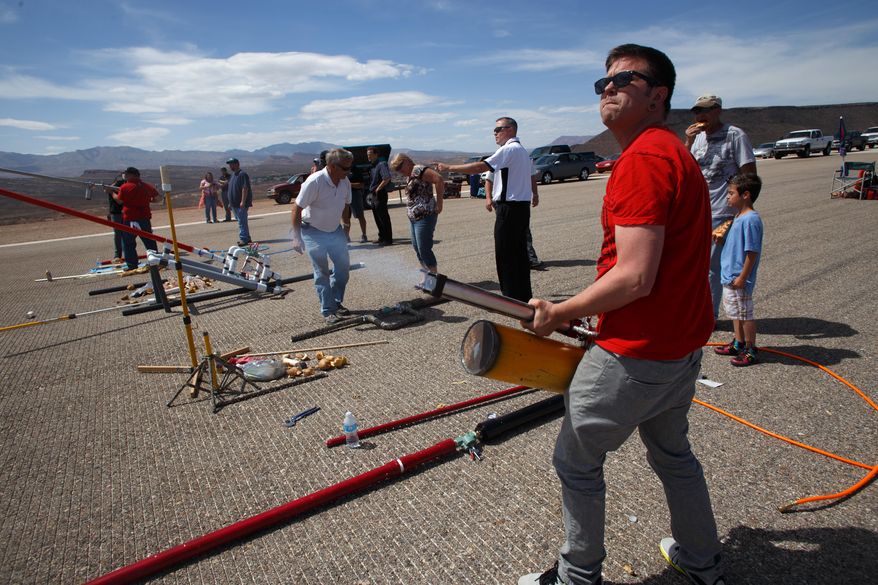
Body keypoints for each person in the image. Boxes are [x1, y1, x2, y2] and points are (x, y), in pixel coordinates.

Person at [518, 44, 724, 585]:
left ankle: (576, 576)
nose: (607, 88)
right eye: (602, 82)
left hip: (635, 354)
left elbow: (635, 276)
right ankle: (703, 562)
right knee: (675, 457)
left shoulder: (644, 160)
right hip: (678, 350)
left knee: (575, 462)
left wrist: (561, 310)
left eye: (624, 80)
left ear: (657, 96)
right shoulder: (672, 153)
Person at [437, 117, 539, 302]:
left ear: (510, 130)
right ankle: (522, 295)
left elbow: (479, 167)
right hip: (520, 208)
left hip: (510, 208)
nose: (495, 133)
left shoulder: (509, 150)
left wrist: (449, 167)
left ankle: (511, 297)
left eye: (498, 129)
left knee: (506, 253)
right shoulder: (522, 151)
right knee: (518, 253)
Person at [684, 94, 756, 320]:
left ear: (718, 110)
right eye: (697, 111)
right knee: (697, 266)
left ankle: (708, 317)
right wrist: (687, 142)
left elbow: (750, 175)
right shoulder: (698, 139)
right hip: (700, 212)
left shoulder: (735, 135)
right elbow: (685, 170)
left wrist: (741, 213)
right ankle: (702, 311)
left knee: (713, 267)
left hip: (724, 212)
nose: (700, 116)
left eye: (705, 110)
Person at [291, 148, 353, 324]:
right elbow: (297, 208)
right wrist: (296, 236)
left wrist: (346, 226)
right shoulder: (315, 182)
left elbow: (346, 205)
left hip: (335, 231)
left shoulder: (344, 181)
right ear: (332, 166)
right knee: (322, 271)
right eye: (345, 168)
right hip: (312, 232)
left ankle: (336, 301)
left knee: (343, 269)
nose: (348, 172)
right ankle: (328, 310)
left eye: (350, 168)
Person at [714, 173, 763, 367]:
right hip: (730, 275)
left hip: (738, 277)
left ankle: (751, 348)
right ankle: (738, 342)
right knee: (734, 312)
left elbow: (752, 251)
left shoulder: (750, 219)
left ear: (746, 195)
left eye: (731, 193)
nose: (727, 197)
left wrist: (744, 276)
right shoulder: (738, 217)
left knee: (745, 314)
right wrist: (723, 239)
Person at [390, 153, 444, 273]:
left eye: (399, 167)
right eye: (396, 170)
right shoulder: (410, 175)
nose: (399, 171)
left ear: (406, 161)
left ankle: (433, 276)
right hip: (414, 218)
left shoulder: (418, 170)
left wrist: (440, 203)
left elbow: (439, 180)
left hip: (425, 215)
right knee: (417, 247)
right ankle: (426, 275)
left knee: (423, 248)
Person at [485, 170, 543, 269]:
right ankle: (514, 260)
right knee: (507, 232)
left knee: (523, 231)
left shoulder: (526, 159)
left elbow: (531, 177)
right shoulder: (499, 158)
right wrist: (488, 198)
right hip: (502, 203)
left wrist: (535, 194)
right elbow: (489, 180)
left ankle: (529, 259)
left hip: (521, 201)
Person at [113, 167, 159, 273]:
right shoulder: (146, 186)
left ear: (131, 175)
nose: (125, 176)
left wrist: (112, 193)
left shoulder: (125, 187)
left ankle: (132, 265)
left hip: (130, 219)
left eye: (126, 174)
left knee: (128, 243)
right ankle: (155, 261)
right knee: (149, 241)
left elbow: (119, 201)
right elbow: (158, 198)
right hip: (144, 218)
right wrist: (146, 200)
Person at [367, 146, 393, 245]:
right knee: (377, 217)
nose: (368, 156)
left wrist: (378, 189)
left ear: (376, 154)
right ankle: (381, 237)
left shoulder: (381, 164)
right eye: (368, 155)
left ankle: (388, 239)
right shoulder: (372, 166)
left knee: (383, 217)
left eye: (370, 154)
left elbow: (386, 178)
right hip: (373, 194)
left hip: (379, 194)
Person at [226, 158, 253, 245]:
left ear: (237, 164)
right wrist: (230, 202)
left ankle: (244, 239)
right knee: (240, 221)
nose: (230, 166)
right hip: (234, 203)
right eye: (229, 164)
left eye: (232, 164)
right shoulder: (233, 175)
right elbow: (231, 189)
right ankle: (247, 238)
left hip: (240, 203)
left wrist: (243, 201)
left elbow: (245, 188)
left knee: (242, 221)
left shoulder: (242, 174)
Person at [105, 172, 126, 262]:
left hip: (123, 212)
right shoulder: (118, 185)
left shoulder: (123, 185)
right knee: (118, 234)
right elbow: (107, 191)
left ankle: (126, 254)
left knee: (125, 234)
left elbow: (120, 200)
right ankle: (118, 255)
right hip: (116, 212)